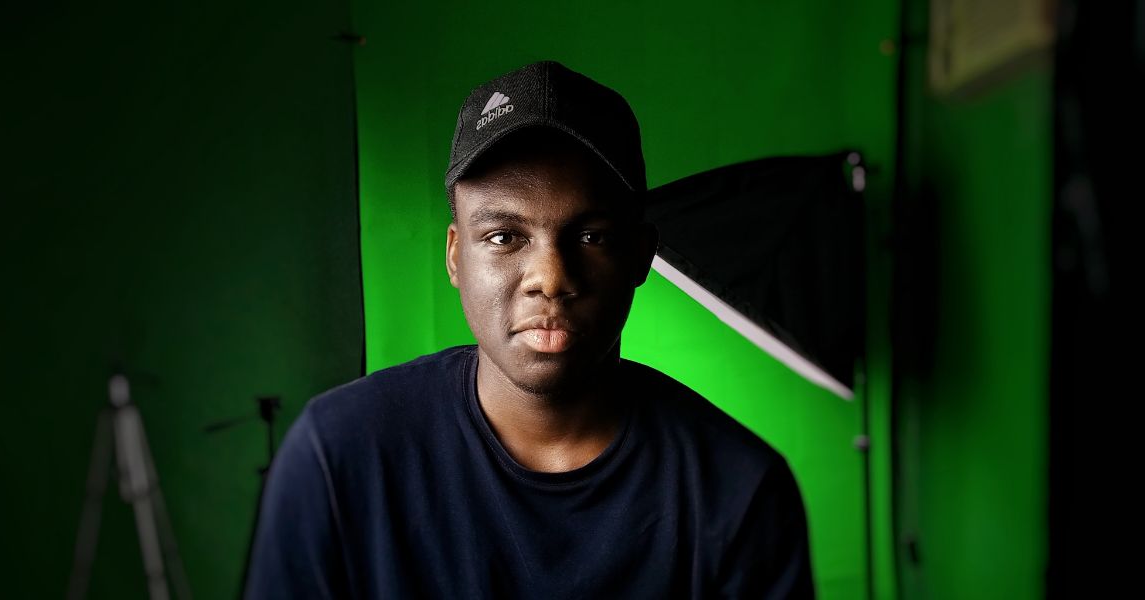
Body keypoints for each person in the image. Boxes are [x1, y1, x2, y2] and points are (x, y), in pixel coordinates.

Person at [244, 60, 814, 599]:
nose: (550, 277)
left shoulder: (739, 493)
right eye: (503, 236)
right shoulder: (338, 456)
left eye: (591, 236)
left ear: (642, 255)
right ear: (454, 256)